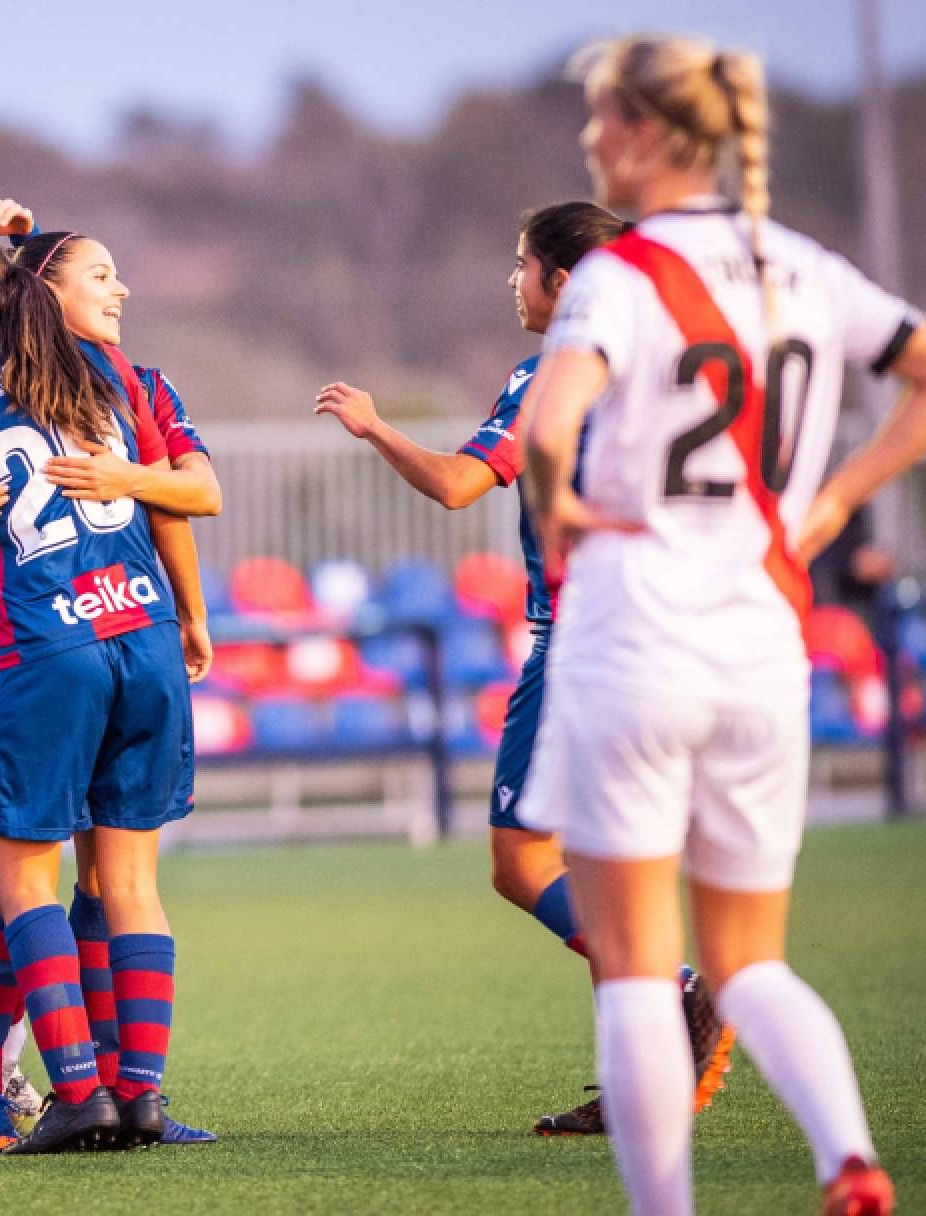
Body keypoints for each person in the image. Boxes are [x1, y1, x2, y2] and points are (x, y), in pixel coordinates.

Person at [517, 34, 926, 1216]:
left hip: (633, 640)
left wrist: (558, 502)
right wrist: (831, 500)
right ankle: (846, 1155)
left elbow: (544, 430)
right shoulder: (803, 266)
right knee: (749, 962)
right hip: (761, 645)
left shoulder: (613, 278)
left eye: (599, 118)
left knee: (637, 970)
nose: (588, 138)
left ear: (641, 132)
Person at [315, 202, 733, 1136]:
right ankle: (639, 1080)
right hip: (671, 634)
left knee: (522, 861)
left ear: (565, 281)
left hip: (583, 641)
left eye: (522, 265)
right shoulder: (675, 366)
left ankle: (672, 991)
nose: (513, 281)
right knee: (605, 863)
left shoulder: (553, 372)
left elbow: (458, 483)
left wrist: (376, 428)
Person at [0, 201, 221, 1150]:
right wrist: (190, 614)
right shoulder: (104, 369)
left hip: (44, 648)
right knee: (131, 884)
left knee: (19, 879)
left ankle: (76, 1092)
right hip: (145, 635)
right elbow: (173, 499)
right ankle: (139, 1094)